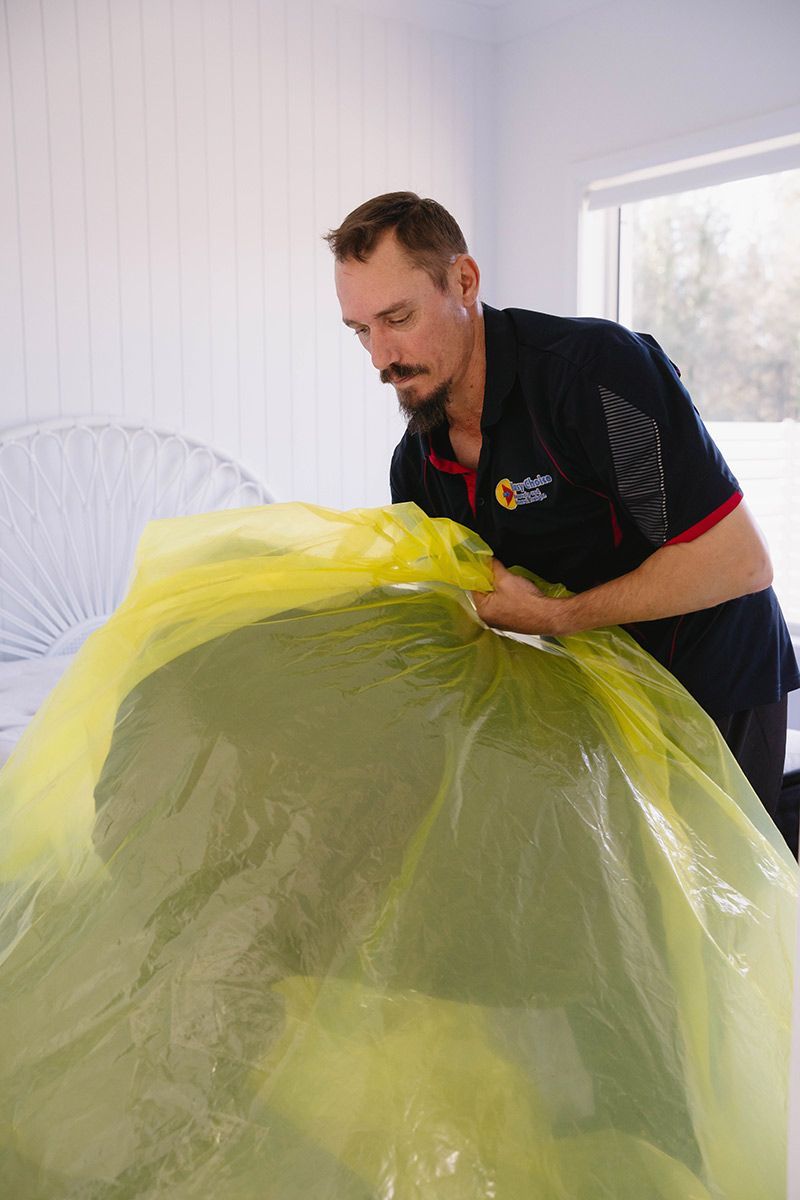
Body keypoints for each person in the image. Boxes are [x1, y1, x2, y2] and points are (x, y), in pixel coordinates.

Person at [325, 191, 800, 821]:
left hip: (713, 679)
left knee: (724, 905)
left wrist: (557, 617)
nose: (382, 357)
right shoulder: (416, 467)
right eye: (362, 330)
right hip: (602, 696)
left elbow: (737, 562)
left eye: (399, 317)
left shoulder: (595, 375)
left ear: (463, 282)